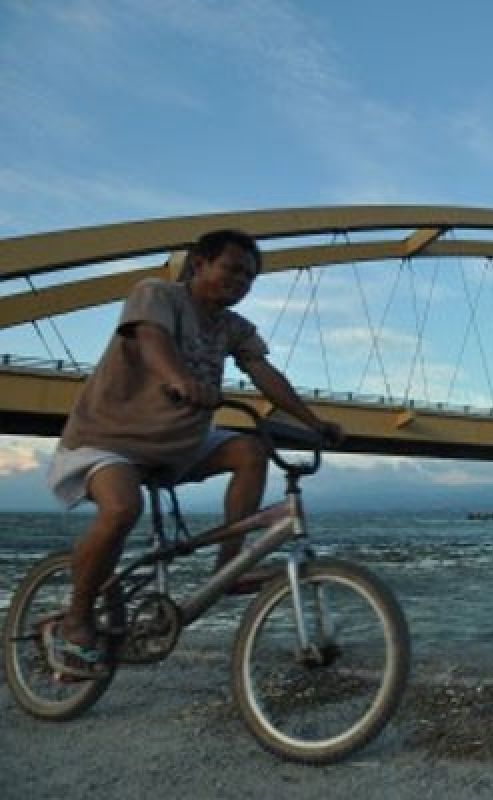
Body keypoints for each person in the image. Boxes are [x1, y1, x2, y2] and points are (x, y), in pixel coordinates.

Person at [44, 229, 343, 678]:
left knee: (250, 451)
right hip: (107, 440)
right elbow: (151, 341)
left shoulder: (234, 327)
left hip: (178, 444)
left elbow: (264, 372)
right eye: (232, 269)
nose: (241, 282)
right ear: (199, 263)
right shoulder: (156, 294)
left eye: (249, 277)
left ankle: (229, 568)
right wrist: (179, 378)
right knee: (124, 507)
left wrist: (313, 422)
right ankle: (75, 621)